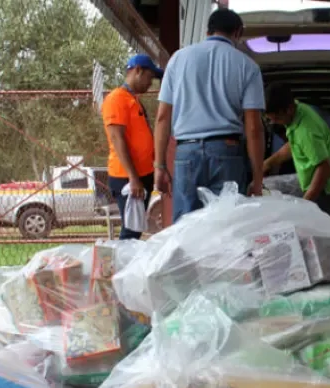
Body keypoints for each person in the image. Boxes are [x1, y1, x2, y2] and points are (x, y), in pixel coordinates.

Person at [153, 8, 265, 223]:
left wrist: (159, 166)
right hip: (227, 152)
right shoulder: (247, 66)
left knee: (185, 227)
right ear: (238, 32)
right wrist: (258, 178)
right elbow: (254, 128)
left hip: (186, 153)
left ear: (208, 31)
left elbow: (162, 118)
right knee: (227, 226)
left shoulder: (178, 60)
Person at [262, 83, 330, 218]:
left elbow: (324, 168)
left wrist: (305, 204)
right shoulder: (297, 112)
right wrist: (268, 163)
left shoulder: (306, 131)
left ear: (289, 109)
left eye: (277, 118)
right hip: (320, 184)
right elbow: (294, 145)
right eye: (270, 119)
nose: (275, 123)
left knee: (314, 230)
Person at [101, 54, 163, 240]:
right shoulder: (116, 99)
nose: (150, 83)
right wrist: (133, 178)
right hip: (127, 178)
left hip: (142, 176)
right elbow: (117, 139)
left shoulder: (132, 99)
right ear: (138, 71)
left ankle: (124, 264)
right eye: (149, 77)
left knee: (135, 230)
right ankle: (120, 266)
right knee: (131, 231)